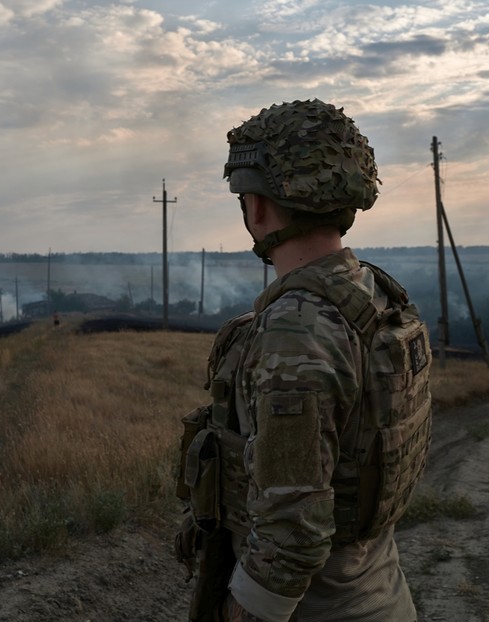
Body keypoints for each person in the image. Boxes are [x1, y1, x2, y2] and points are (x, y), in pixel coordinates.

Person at [175, 99, 433, 622]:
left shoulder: (297, 327)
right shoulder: (374, 296)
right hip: (381, 594)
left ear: (260, 207)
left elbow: (293, 534)